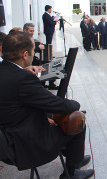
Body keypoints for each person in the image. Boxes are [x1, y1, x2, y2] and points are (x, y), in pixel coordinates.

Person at [0, 31, 93, 179]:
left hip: (9, 136)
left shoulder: (6, 70)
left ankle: (73, 155)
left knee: (56, 117)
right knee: (76, 121)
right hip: (25, 142)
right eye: (32, 51)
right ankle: (71, 171)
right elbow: (56, 104)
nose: (33, 54)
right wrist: (75, 104)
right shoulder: (22, 79)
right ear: (25, 55)